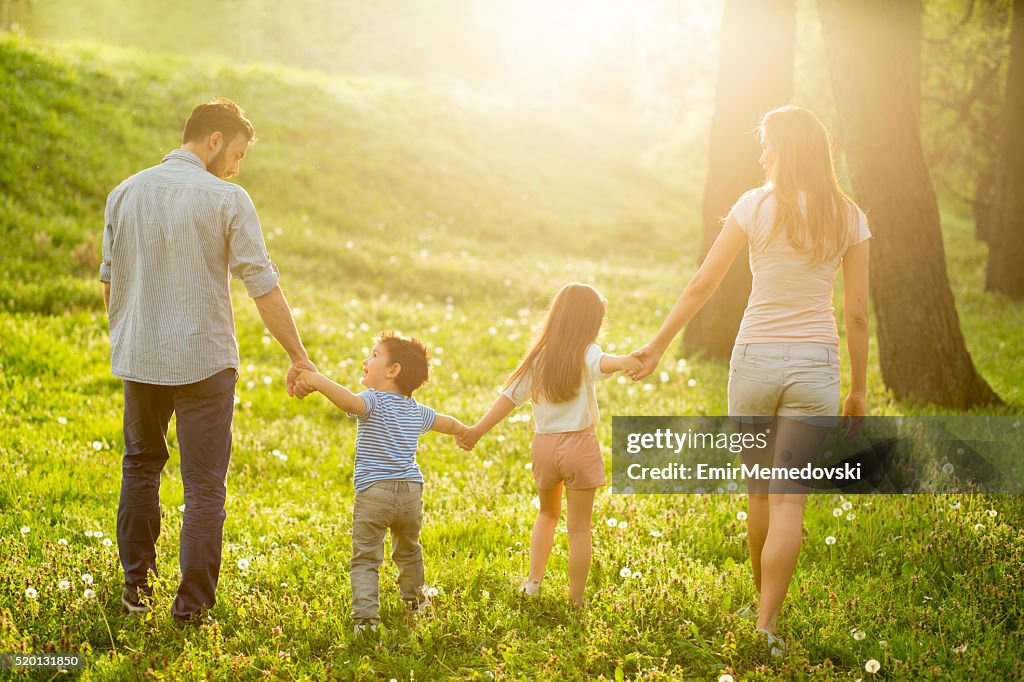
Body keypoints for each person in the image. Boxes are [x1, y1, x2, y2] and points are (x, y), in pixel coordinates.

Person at [631, 105, 871, 654]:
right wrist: (857, 390)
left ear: (785, 150)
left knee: (760, 495)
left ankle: (759, 604)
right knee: (791, 501)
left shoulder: (754, 205)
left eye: (766, 145)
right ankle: (767, 625)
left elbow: (701, 285)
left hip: (755, 363)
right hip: (815, 366)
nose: (761, 155)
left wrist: (657, 346)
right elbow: (857, 314)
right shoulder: (849, 215)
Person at [100, 98, 315, 623]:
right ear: (214, 140)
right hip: (205, 361)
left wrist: (129, 339)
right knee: (202, 487)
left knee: (140, 468)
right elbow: (261, 285)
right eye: (237, 154)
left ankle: (136, 592)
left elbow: (110, 281)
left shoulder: (124, 192)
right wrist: (298, 357)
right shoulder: (228, 199)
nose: (237, 167)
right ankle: (192, 608)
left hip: (140, 357)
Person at [456, 283, 642, 607]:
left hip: (544, 447)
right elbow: (607, 362)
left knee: (547, 514)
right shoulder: (586, 353)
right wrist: (630, 359)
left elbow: (508, 399)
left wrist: (477, 430)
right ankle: (576, 600)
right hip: (580, 446)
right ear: (589, 323)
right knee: (580, 529)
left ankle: (533, 582)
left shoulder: (537, 359)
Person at [294, 332, 466, 633]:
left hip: (375, 493)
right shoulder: (416, 410)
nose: (365, 360)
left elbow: (348, 400)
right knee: (409, 550)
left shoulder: (372, 401)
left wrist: (317, 380)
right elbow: (447, 422)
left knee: (366, 558)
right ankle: (416, 603)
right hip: (411, 494)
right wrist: (466, 431)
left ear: (393, 370)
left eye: (373, 355)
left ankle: (366, 620)